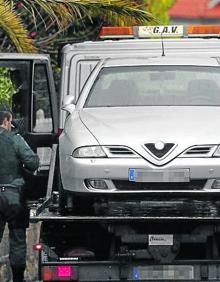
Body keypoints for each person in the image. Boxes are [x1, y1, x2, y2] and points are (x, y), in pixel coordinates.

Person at [0, 109, 39, 282]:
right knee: (17, 238)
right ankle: (17, 278)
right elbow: (33, 163)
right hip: (14, 197)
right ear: (7, 121)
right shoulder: (15, 139)